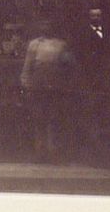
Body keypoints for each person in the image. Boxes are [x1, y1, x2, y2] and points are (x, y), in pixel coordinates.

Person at [20, 15, 78, 161]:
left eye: (49, 24)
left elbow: (69, 66)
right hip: (37, 87)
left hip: (55, 87)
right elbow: (28, 66)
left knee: (54, 120)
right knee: (39, 119)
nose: (46, 27)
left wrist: (67, 84)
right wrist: (26, 84)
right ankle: (40, 152)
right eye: (43, 24)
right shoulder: (34, 44)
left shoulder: (61, 45)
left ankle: (54, 152)